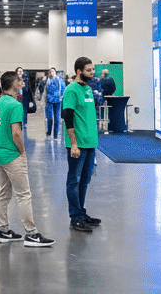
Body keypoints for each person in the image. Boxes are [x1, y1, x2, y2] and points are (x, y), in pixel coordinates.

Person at [0, 71, 53, 247]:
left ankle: (3, 231)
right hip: (12, 155)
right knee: (24, 195)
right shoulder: (15, 105)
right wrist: (23, 153)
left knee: (4, 193)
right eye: (20, 81)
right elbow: (16, 133)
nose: (22, 84)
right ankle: (31, 234)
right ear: (14, 84)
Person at [62, 57, 100, 233]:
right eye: (88, 70)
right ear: (79, 71)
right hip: (78, 144)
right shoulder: (71, 90)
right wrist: (74, 144)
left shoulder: (88, 89)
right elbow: (68, 117)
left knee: (85, 180)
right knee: (74, 180)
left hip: (90, 142)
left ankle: (81, 213)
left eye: (93, 70)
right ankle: (75, 217)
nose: (92, 73)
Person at [44, 69, 64, 140]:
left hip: (57, 100)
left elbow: (63, 89)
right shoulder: (47, 80)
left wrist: (61, 97)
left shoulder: (59, 80)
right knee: (49, 118)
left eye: (53, 72)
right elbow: (42, 88)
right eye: (50, 72)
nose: (51, 73)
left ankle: (55, 135)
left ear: (55, 73)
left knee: (57, 118)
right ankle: (49, 132)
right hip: (48, 100)